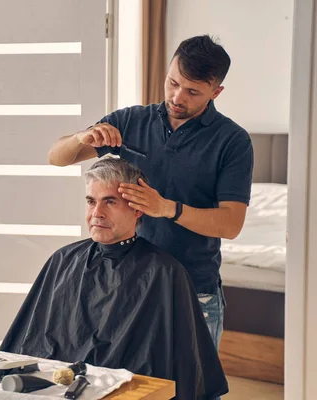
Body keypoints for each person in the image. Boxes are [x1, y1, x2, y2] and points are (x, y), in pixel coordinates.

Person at [47, 35, 253, 351]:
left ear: (216, 92)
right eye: (173, 82)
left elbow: (230, 225)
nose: (177, 96)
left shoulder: (233, 142)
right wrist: (82, 137)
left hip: (193, 294)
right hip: (125, 287)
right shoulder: (131, 121)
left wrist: (167, 208)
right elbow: (57, 157)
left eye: (193, 91)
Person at [0, 158, 228, 400]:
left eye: (110, 202)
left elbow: (181, 368)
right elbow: (28, 342)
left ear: (137, 208)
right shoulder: (63, 260)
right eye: (91, 202)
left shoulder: (164, 272)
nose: (97, 213)